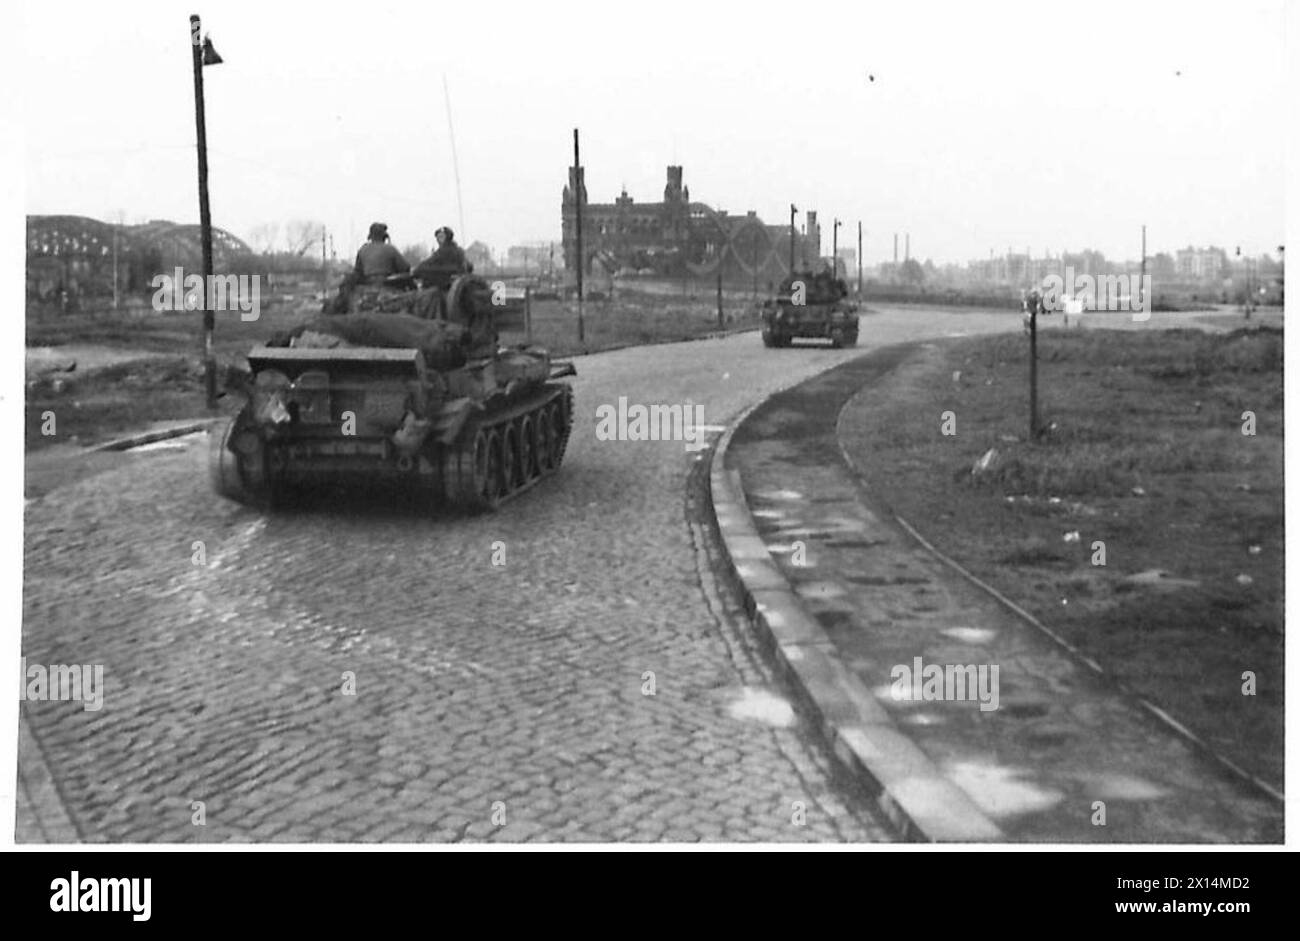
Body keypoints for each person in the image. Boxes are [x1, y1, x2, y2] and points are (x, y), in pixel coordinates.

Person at [413, 226, 470, 291]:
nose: (439, 240)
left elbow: (431, 261)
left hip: (447, 277)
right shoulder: (457, 249)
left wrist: (418, 269)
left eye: (441, 237)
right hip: (450, 274)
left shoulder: (446, 250)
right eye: (438, 237)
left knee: (424, 271)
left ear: (448, 237)